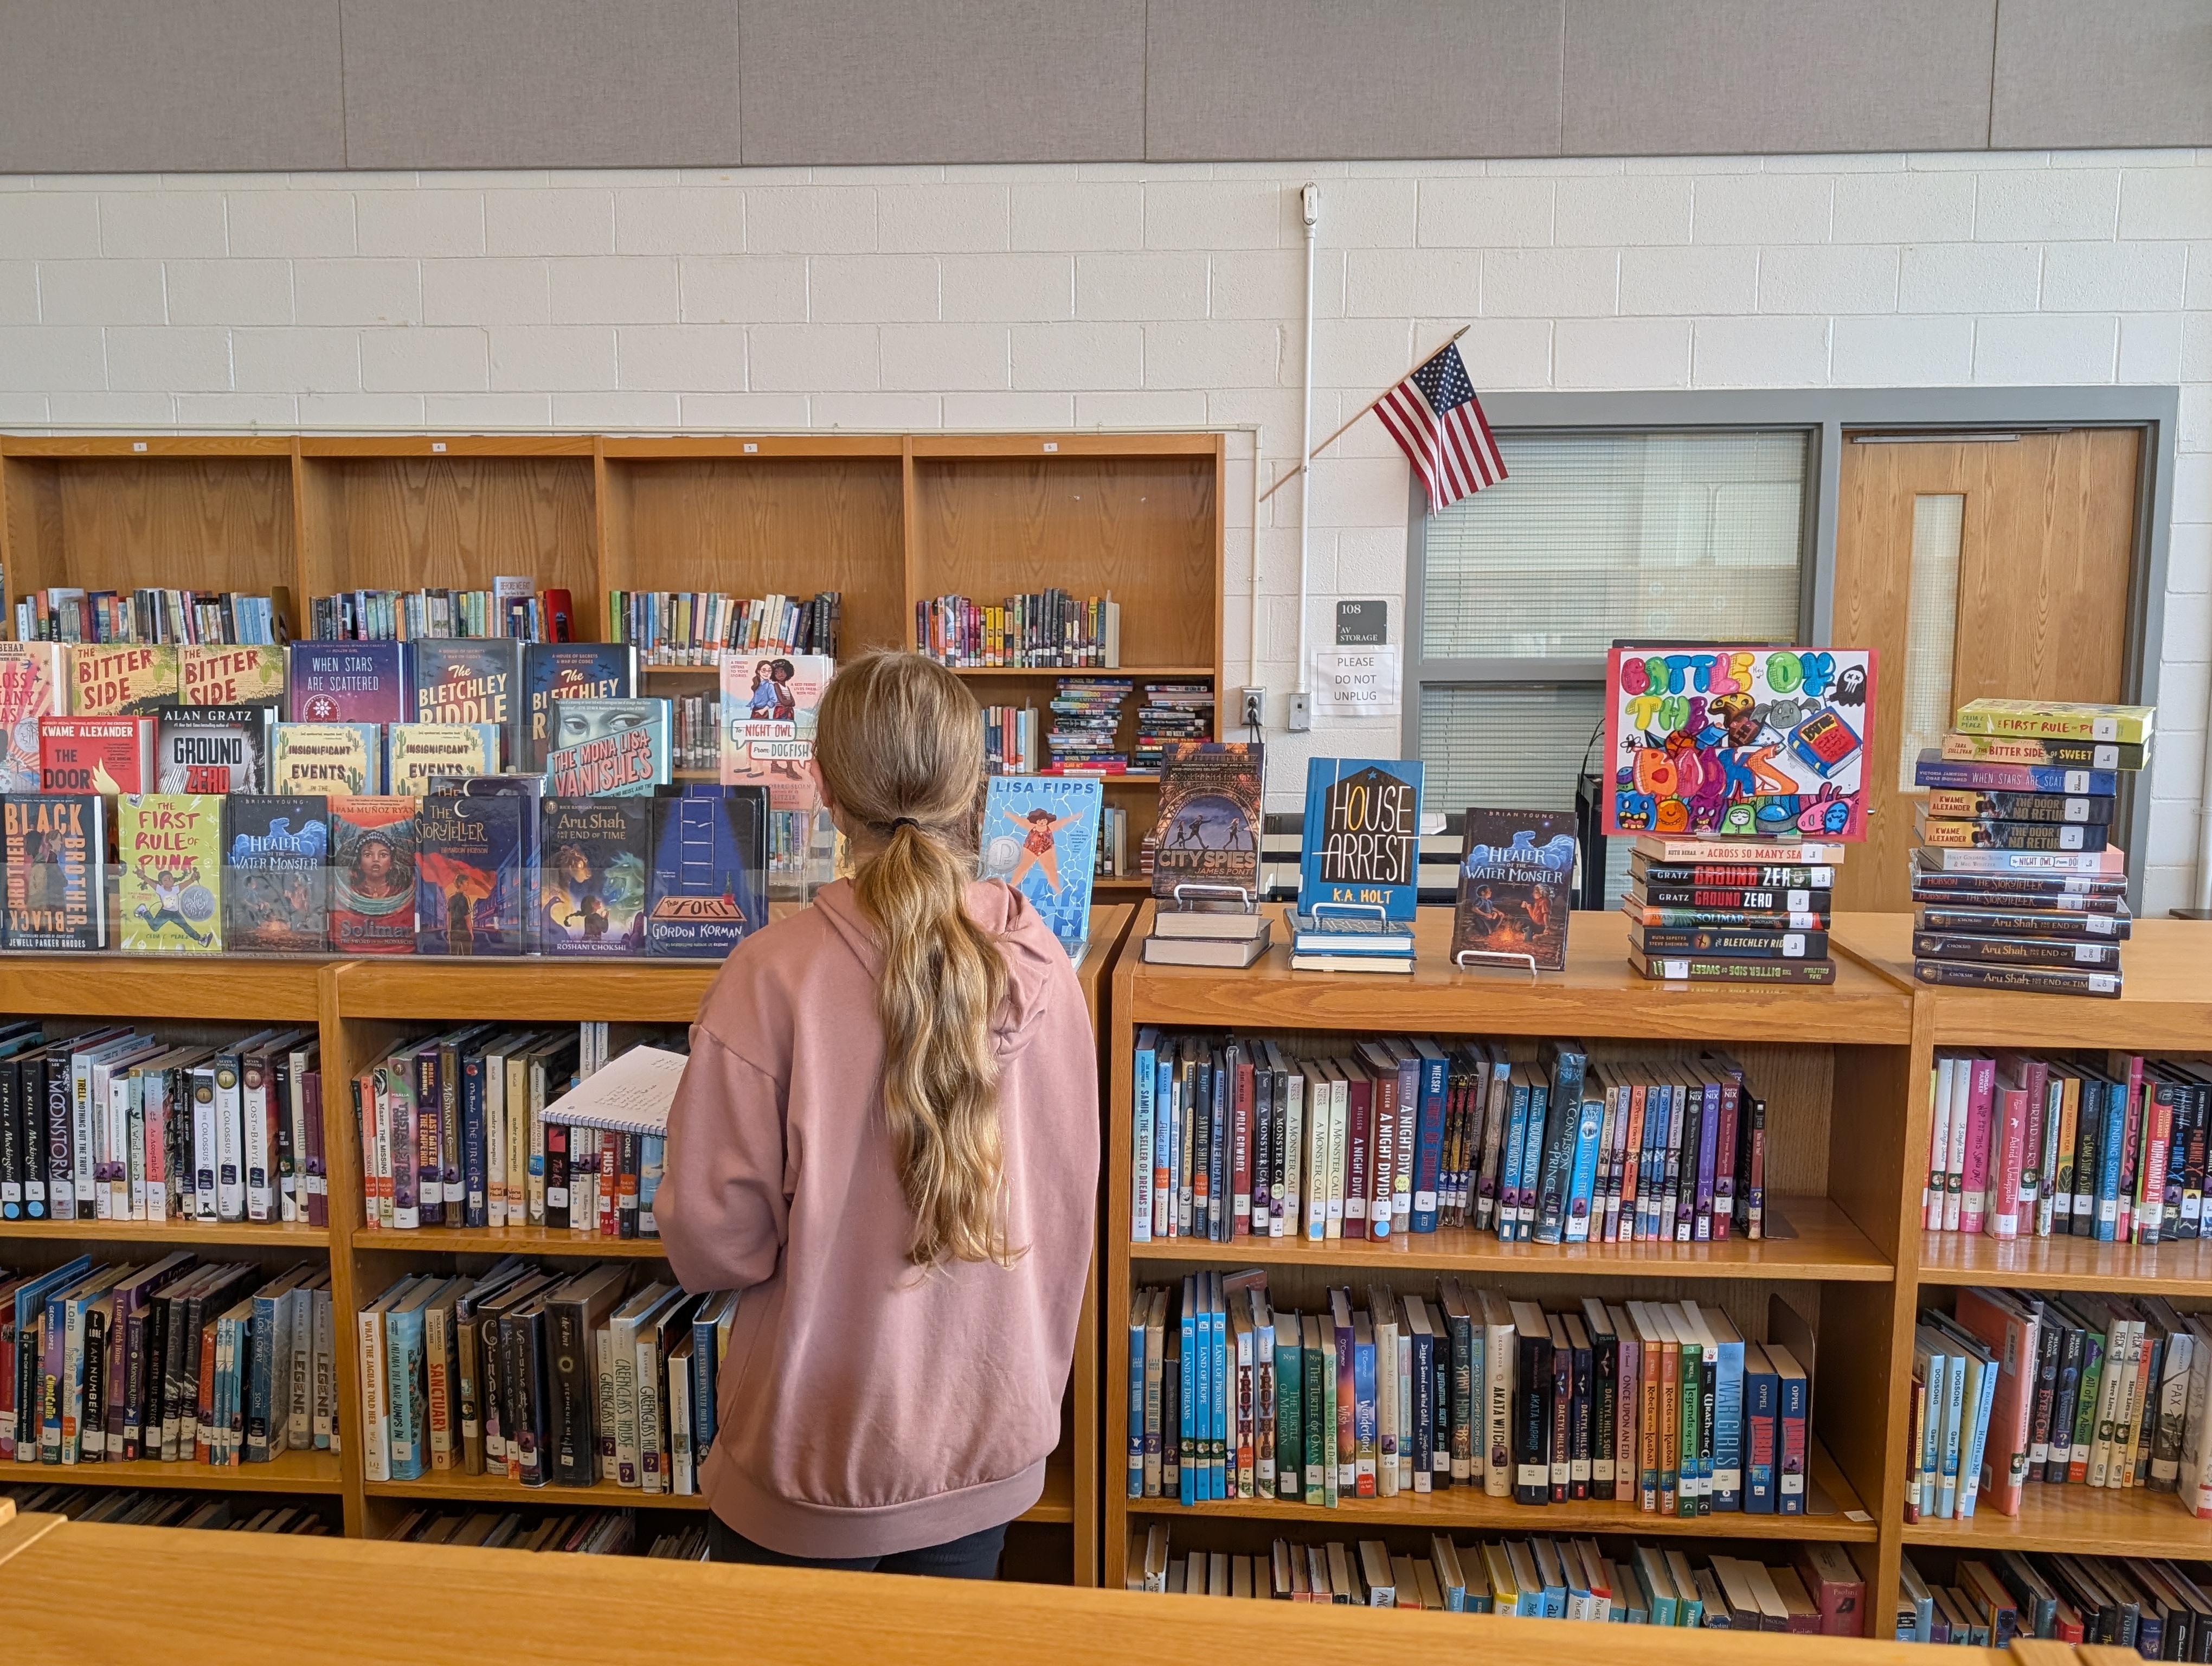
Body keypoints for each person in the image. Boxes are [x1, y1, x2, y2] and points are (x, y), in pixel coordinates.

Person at [659, 651, 1097, 1579]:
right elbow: (1065, 1202)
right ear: (976, 788)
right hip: (984, 1445)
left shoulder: (769, 976)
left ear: (820, 784)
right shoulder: (1049, 967)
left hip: (808, 1465)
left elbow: (715, 1245)